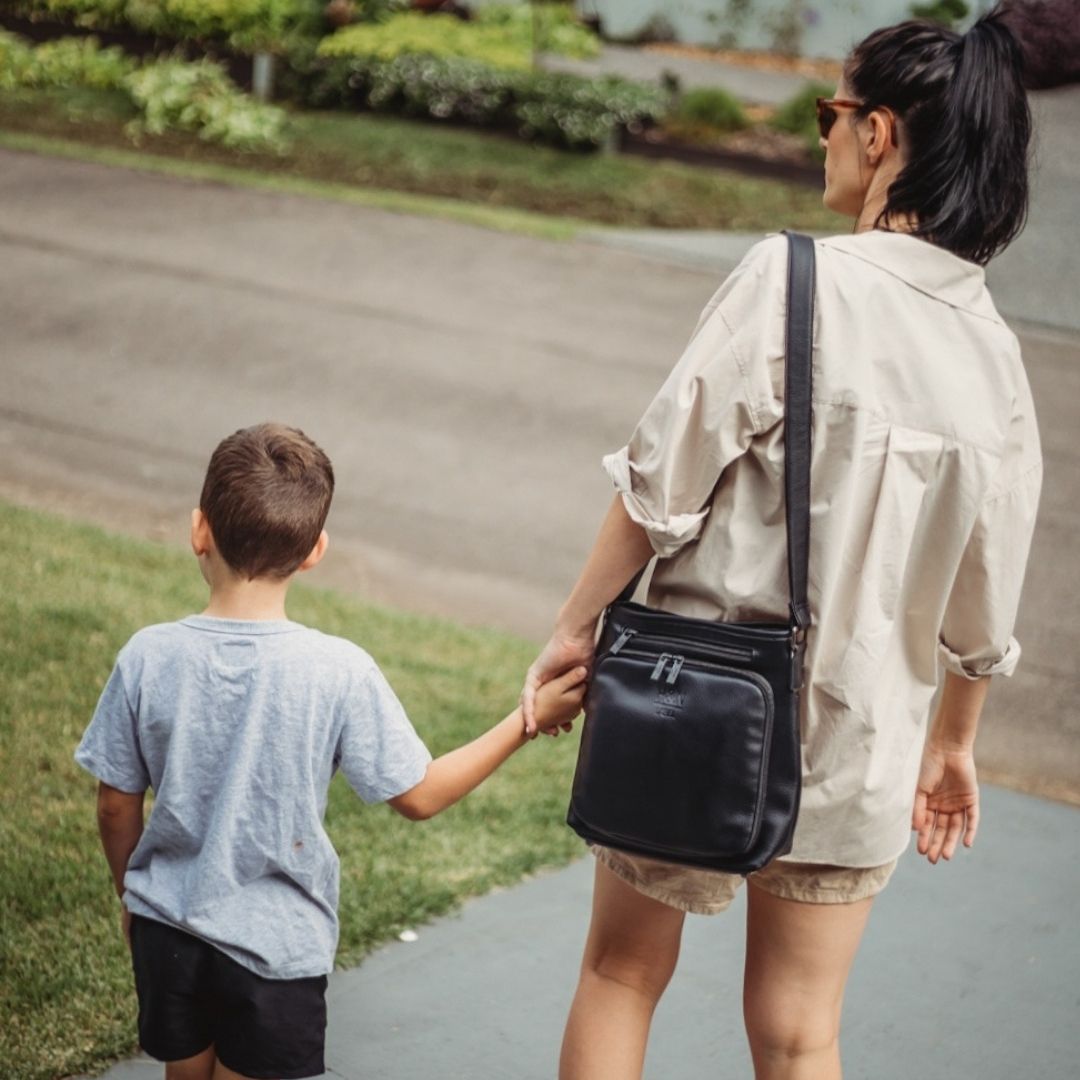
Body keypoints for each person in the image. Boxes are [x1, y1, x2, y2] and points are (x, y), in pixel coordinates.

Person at [523, 9, 1042, 1080]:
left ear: (879, 133)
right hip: (863, 739)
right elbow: (983, 608)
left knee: (622, 974)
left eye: (829, 114)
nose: (826, 136)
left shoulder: (792, 278)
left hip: (696, 696)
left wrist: (573, 630)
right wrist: (952, 743)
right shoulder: (994, 354)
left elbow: (658, 487)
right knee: (802, 1031)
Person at [75, 422, 586, 1080]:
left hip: (165, 933)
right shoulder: (338, 671)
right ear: (315, 550)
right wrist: (525, 721)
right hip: (275, 950)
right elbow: (420, 795)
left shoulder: (147, 655)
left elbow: (115, 805)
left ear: (199, 530)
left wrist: (132, 894)